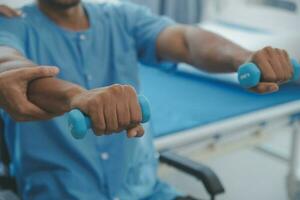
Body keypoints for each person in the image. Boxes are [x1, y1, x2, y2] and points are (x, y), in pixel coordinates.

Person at [0, 1, 293, 200]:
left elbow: (186, 41)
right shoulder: (12, 23)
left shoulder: (122, 17)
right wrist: (78, 97)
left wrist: (242, 57)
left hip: (146, 193)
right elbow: (11, 68)